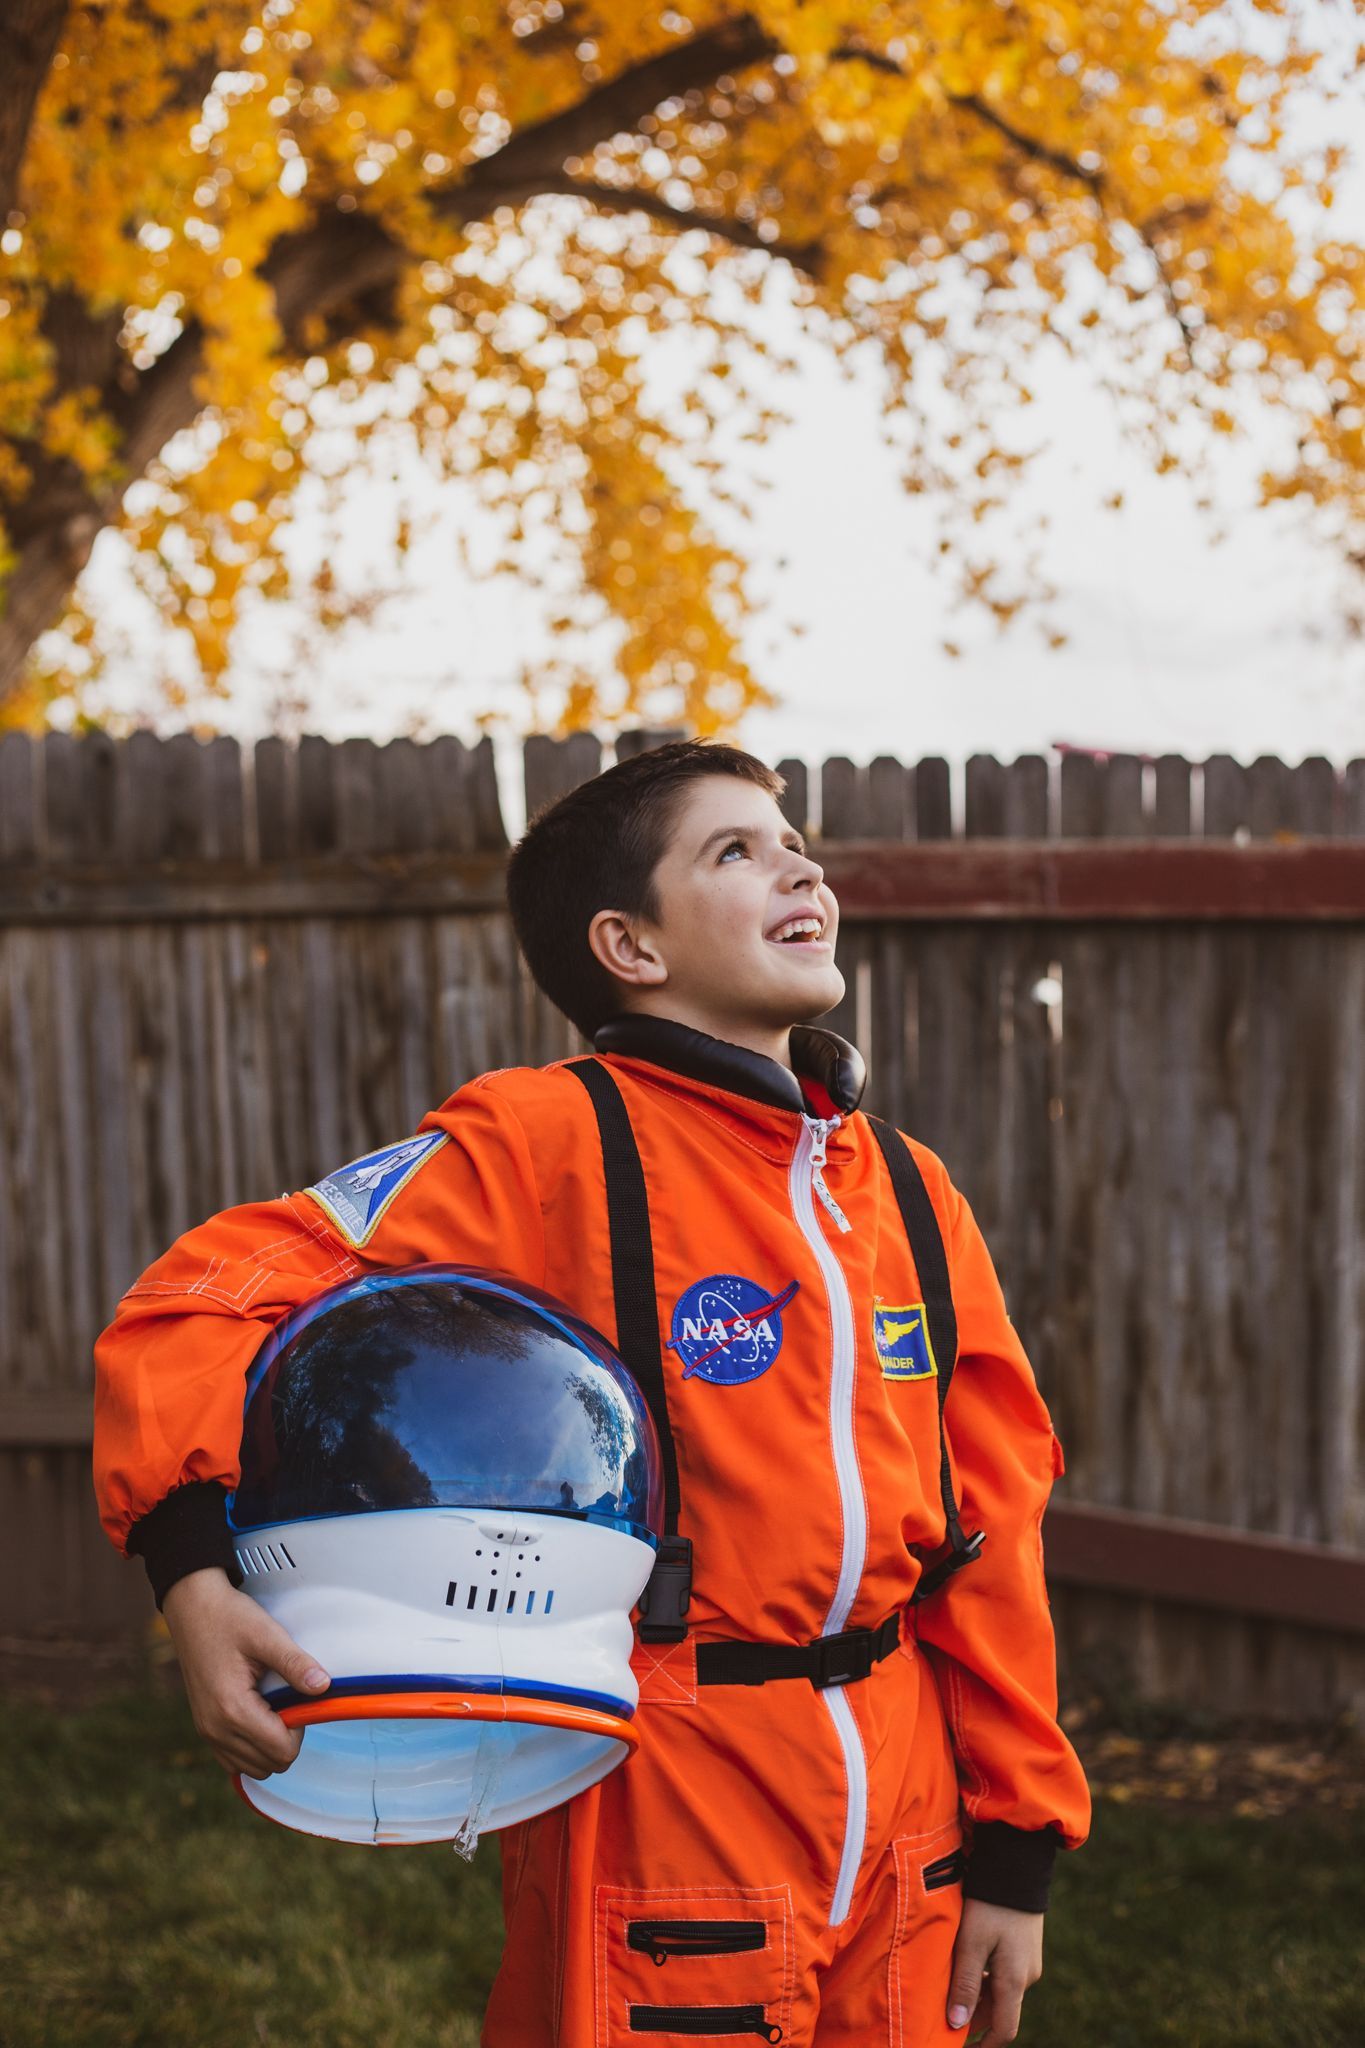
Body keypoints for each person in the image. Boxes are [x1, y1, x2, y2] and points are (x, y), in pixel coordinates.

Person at [93, 739, 1091, 2047]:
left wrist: (1013, 1851)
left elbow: (991, 1529)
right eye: (733, 850)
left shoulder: (908, 1191)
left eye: (791, 841)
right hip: (667, 1782)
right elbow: (202, 1300)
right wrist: (191, 1565)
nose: (799, 862)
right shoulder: (543, 1140)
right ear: (629, 945)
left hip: (912, 1809)